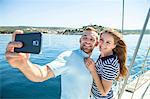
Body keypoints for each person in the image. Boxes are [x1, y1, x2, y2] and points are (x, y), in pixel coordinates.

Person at [5, 27, 99, 99]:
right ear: (80, 40)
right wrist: (23, 64)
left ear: (96, 44)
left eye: (92, 39)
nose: (87, 41)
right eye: (85, 37)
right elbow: (42, 74)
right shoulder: (69, 56)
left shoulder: (94, 62)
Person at [85, 28, 128, 99]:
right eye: (101, 40)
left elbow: (104, 92)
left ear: (114, 45)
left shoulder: (109, 64)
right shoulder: (103, 55)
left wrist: (93, 70)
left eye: (108, 42)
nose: (103, 44)